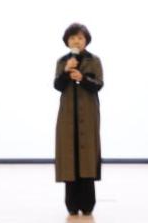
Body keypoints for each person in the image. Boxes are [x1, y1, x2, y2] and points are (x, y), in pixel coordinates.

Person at [54, 22, 104, 217]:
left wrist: (82, 77)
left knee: (87, 157)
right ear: (67, 41)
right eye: (73, 38)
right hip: (67, 116)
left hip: (88, 115)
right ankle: (72, 205)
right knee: (69, 157)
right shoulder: (62, 61)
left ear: (86, 41)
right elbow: (58, 85)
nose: (76, 41)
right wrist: (67, 72)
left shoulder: (94, 60)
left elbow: (98, 84)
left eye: (80, 38)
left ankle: (88, 204)